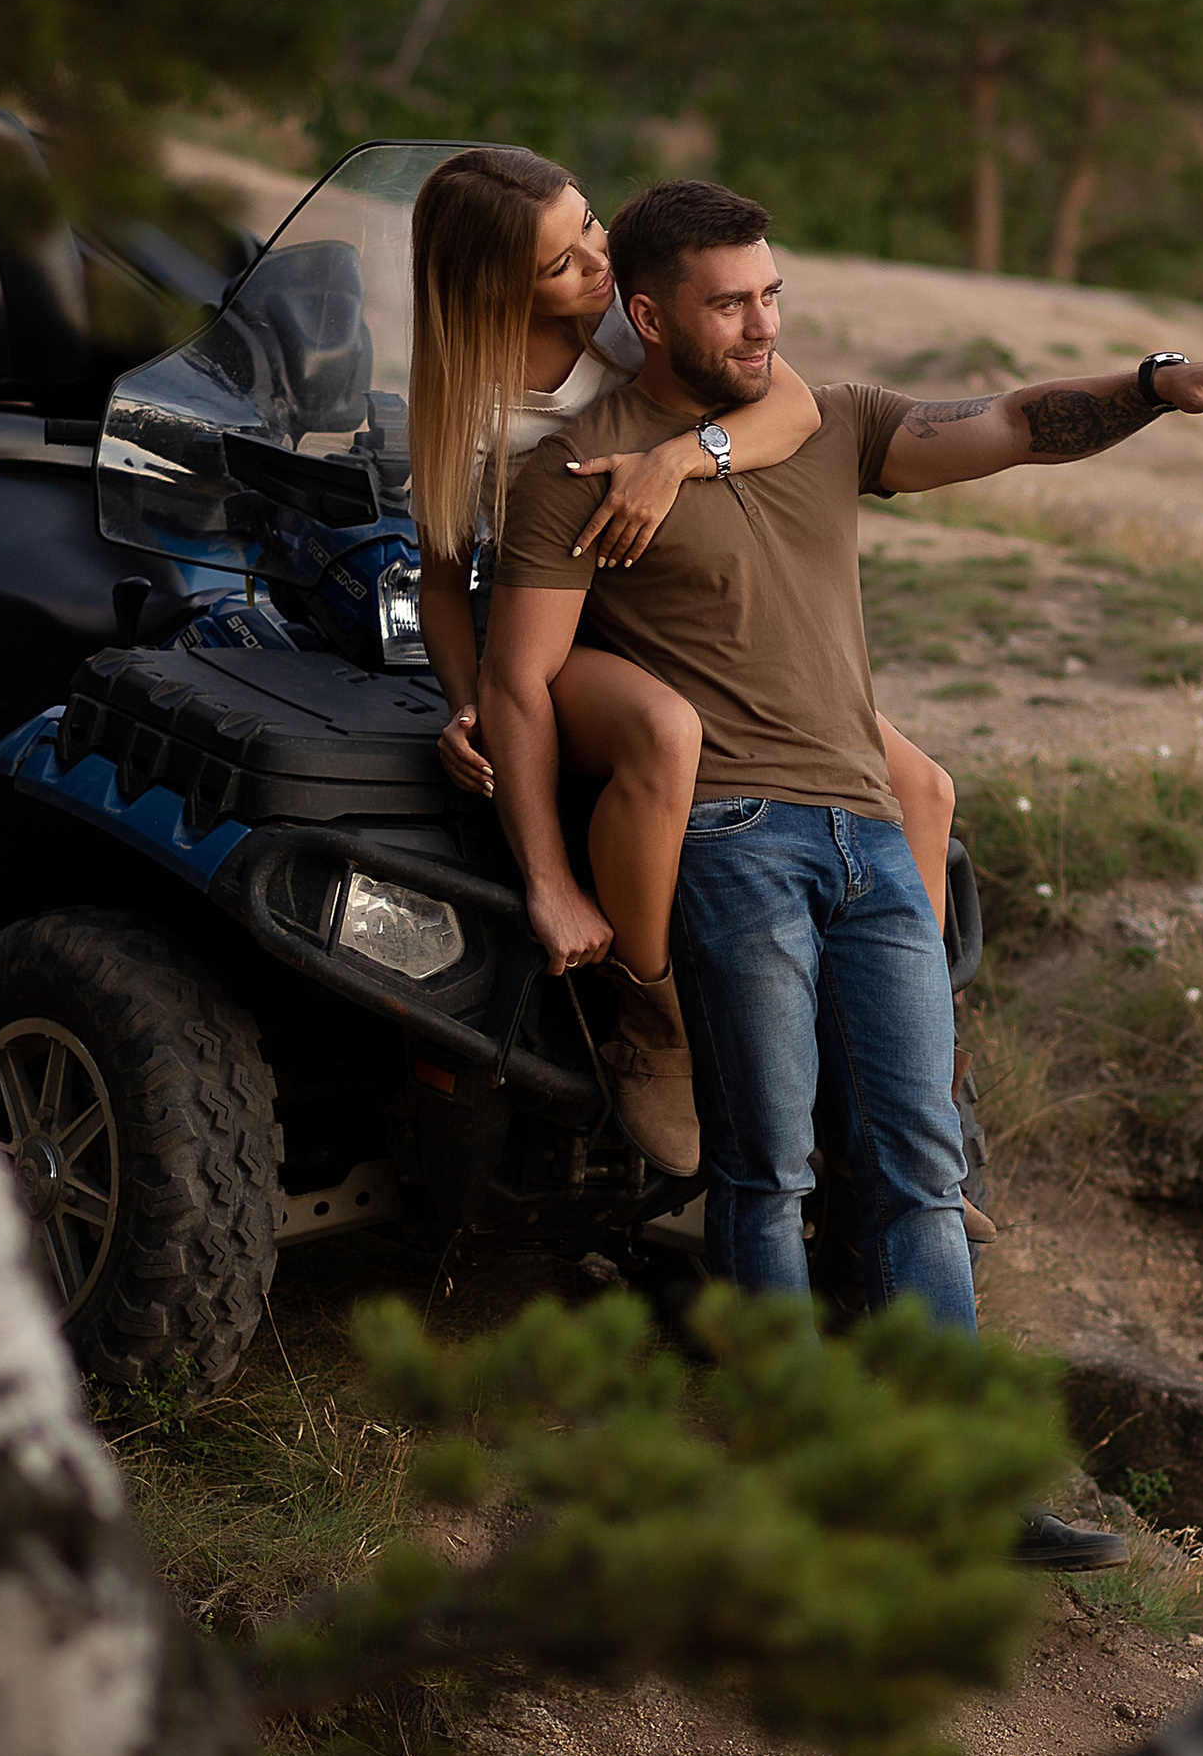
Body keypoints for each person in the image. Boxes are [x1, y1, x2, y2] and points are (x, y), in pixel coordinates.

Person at [479, 176, 1203, 1557]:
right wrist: (550, 876)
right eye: (729, 303)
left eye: (771, 294)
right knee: (766, 1166)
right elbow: (520, 689)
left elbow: (1017, 423)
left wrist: (1159, 384)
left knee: (916, 1159)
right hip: (730, 839)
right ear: (648, 314)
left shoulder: (826, 421)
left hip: (868, 836)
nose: (761, 323)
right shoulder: (574, 472)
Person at [406, 145, 954, 1171]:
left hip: (684, 615)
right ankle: (650, 1023)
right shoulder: (467, 411)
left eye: (590, 228)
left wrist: (679, 457)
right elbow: (444, 587)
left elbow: (794, 406)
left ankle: (906, 1078)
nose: (597, 264)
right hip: (569, 639)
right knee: (665, 730)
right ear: (496, 291)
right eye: (563, 262)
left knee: (921, 787)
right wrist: (462, 700)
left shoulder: (631, 316)